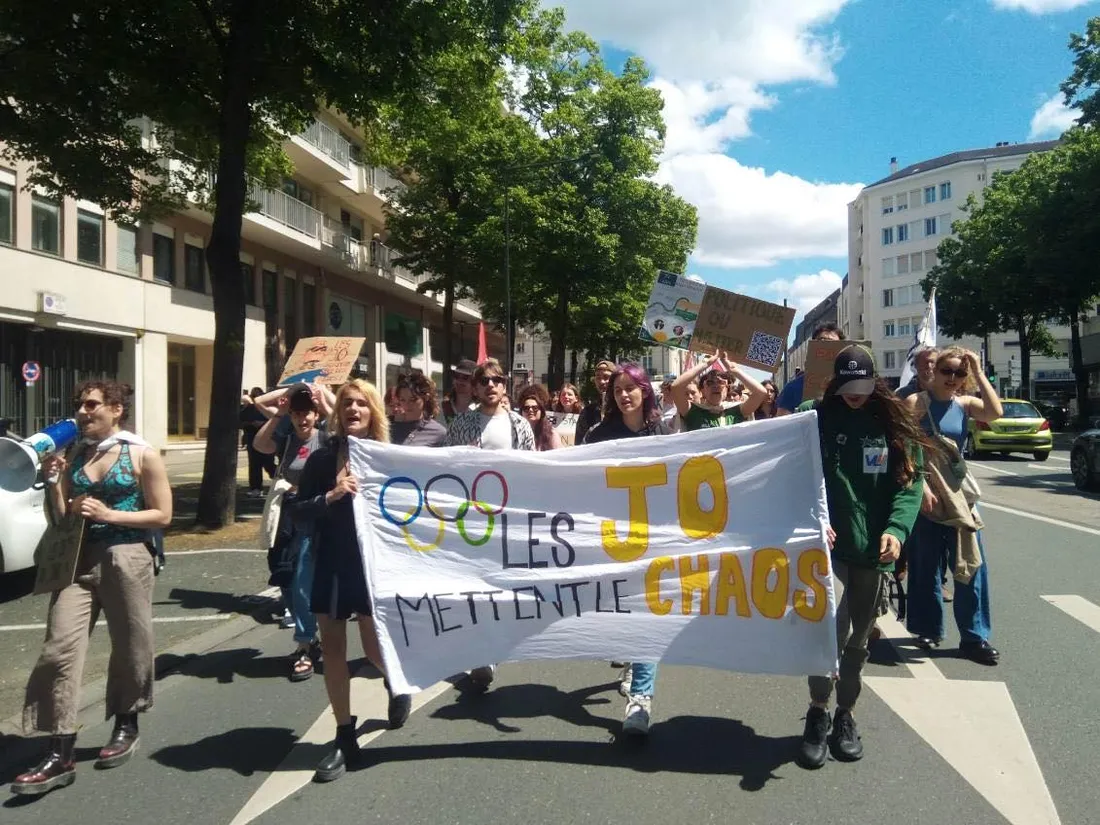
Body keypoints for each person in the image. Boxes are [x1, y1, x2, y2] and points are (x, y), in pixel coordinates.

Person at [14, 381, 173, 796]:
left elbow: (163, 514)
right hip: (78, 561)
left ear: (116, 409)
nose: (84, 412)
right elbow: (62, 516)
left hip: (127, 557)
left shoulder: (141, 453)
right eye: (80, 405)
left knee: (131, 645)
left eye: (92, 404)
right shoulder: (77, 455)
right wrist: (53, 481)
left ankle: (126, 722)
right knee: (58, 648)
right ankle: (59, 749)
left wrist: (110, 514)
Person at [794, 346, 927, 769]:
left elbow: (911, 483)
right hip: (826, 549)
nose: (856, 395)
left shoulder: (892, 422)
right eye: (848, 387)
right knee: (825, 635)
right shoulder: (814, 417)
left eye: (864, 387)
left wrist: (897, 530)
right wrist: (810, 519)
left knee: (857, 639)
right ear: (835, 382)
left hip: (873, 549)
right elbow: (788, 472)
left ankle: (845, 714)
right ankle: (817, 709)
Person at [293, 379, 412, 782]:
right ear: (337, 412)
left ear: (374, 411)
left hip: (372, 566)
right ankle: (345, 735)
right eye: (347, 403)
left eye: (362, 403)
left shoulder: (388, 457)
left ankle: (397, 685)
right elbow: (297, 510)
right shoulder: (322, 459)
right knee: (332, 649)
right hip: (331, 561)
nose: (353, 409)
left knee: (373, 647)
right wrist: (330, 496)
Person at [583, 363, 673, 736]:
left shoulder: (662, 432)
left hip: (652, 539)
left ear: (644, 391)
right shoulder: (601, 434)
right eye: (617, 389)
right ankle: (631, 659)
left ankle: (640, 700)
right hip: (613, 539)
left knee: (647, 612)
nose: (623, 394)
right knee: (622, 611)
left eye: (630, 388)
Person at [904, 347, 1003, 665]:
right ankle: (927, 629)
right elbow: (901, 447)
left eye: (960, 373)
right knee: (925, 567)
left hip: (960, 498)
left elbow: (995, 412)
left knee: (971, 567)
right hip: (927, 496)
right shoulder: (915, 403)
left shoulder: (965, 404)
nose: (953, 378)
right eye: (947, 371)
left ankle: (974, 638)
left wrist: (978, 371)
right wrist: (917, 487)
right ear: (934, 371)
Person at [444, 358, 535, 690]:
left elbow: (531, 469)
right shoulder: (461, 424)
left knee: (502, 585)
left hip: (508, 517)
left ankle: (495, 646)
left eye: (497, 380)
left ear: (504, 385)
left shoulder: (519, 425)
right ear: (476, 386)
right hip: (473, 519)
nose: (491, 386)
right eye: (484, 381)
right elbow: (444, 468)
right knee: (477, 584)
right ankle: (484, 652)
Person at [254, 386, 329, 681]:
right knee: (283, 573)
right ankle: (309, 636)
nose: (301, 419)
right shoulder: (285, 440)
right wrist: (281, 412)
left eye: (306, 413)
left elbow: (352, 434)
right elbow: (261, 445)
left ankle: (304, 643)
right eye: (297, 414)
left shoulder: (326, 439)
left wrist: (321, 395)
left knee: (301, 577)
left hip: (315, 515)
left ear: (315, 414)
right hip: (286, 513)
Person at [670, 350, 767, 430]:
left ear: (727, 389)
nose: (715, 386)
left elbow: (760, 393)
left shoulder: (737, 411)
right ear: (702, 391)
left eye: (721, 382)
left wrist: (733, 370)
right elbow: (675, 387)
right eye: (710, 383)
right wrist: (705, 364)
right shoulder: (692, 411)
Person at [776, 323, 845, 415]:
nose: (827, 347)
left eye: (833, 343)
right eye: (822, 341)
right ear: (813, 347)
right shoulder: (792, 388)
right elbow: (783, 425)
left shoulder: (849, 385)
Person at [391, 372, 448, 447]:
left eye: (413, 400)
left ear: (426, 398)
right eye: (402, 400)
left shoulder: (439, 433)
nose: (407, 404)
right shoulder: (388, 429)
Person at [240, 387, 277, 497]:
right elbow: (241, 421)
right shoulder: (249, 409)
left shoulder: (269, 408)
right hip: (252, 438)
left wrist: (263, 424)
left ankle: (279, 479)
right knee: (254, 464)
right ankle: (255, 487)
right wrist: (250, 424)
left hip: (267, 439)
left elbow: (276, 420)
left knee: (268, 463)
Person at [574, 360, 616, 444]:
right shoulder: (587, 412)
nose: (601, 382)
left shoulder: (624, 408)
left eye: (606, 377)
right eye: (598, 377)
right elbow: (579, 445)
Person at [517, 385, 562, 451]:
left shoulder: (551, 434)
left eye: (535, 408)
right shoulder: (515, 432)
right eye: (526, 408)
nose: (530, 410)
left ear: (542, 411)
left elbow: (559, 455)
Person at [442, 359, 478, 423]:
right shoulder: (444, 405)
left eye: (465, 378)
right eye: (456, 376)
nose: (459, 381)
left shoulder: (480, 408)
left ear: (474, 382)